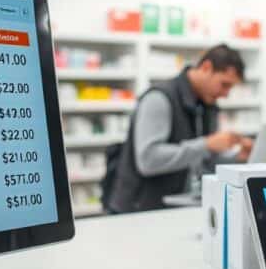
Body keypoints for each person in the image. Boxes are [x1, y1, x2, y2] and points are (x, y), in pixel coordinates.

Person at [103, 44, 253, 213]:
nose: (226, 94)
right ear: (206, 68)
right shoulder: (159, 98)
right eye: (224, 84)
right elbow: (148, 160)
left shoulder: (207, 106)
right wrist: (207, 144)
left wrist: (236, 158)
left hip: (175, 208)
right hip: (138, 211)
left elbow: (201, 163)